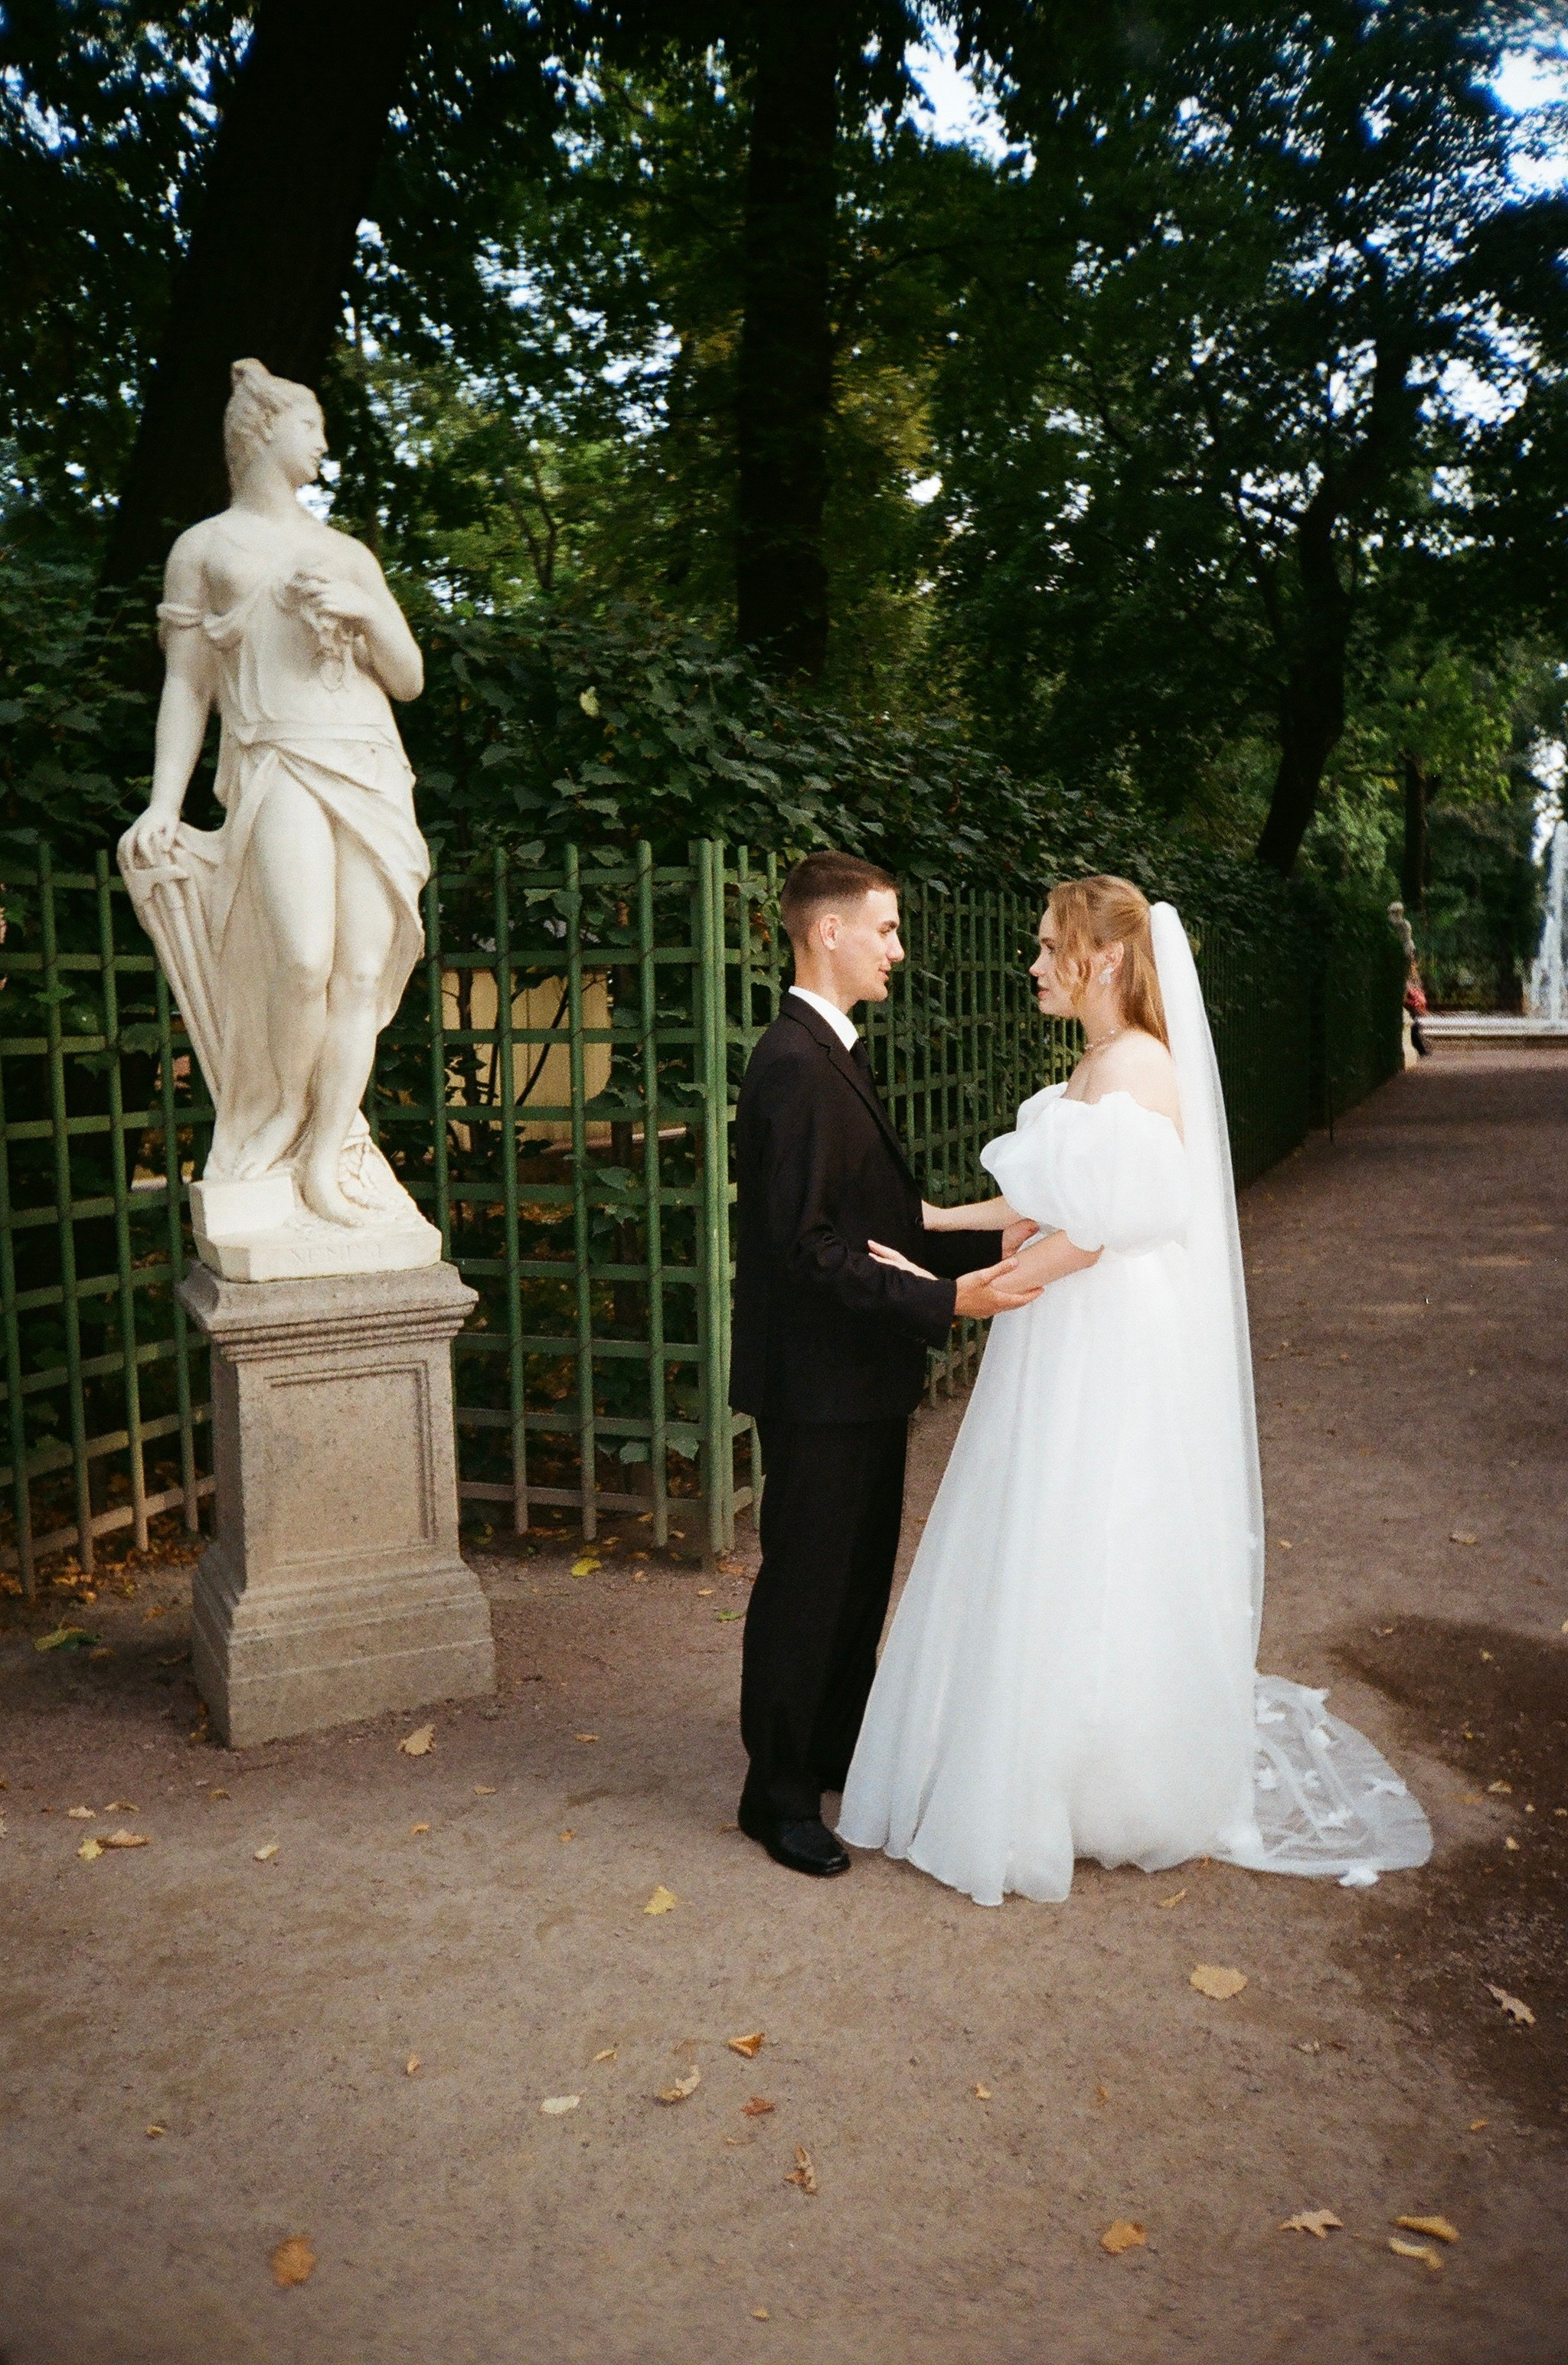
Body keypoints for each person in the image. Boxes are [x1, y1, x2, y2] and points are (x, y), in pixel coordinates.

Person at [838, 875, 1432, 1905]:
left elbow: (1103, 1229)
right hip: (1068, 1322)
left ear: (1103, 957)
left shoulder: (1141, 1067)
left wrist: (967, 1294)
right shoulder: (1098, 1061)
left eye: (1045, 947)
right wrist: (938, 1221)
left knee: (1099, 1522)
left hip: (1106, 1328)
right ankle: (1034, 1742)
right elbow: (1047, 1200)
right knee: (1043, 1520)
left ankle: (1101, 1778)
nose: (1032, 964)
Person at [729, 851, 1050, 1877]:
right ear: (828, 931)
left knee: (858, 1577)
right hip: (817, 1384)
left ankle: (830, 1747)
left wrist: (990, 1247)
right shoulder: (792, 1065)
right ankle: (773, 1793)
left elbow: (879, 1227)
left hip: (858, 1376)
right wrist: (947, 1299)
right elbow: (810, 1250)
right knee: (808, 1584)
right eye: (887, 930)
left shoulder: (833, 1054)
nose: (897, 950)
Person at [120, 356, 430, 1230]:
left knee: (362, 972)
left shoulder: (344, 553)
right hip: (276, 761)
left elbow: (406, 678)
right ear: (262, 431)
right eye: (310, 425)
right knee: (302, 957)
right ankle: (280, 1116)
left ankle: (327, 1156)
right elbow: (188, 687)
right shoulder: (206, 549)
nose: (323, 442)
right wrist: (163, 803)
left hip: (368, 763)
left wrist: (362, 609)